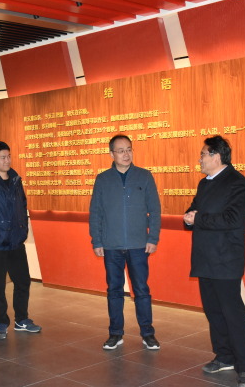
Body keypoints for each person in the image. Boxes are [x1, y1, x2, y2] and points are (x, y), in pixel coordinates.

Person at [183, 135, 245, 387]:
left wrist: (198, 218)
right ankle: (224, 356)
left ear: (216, 156)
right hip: (205, 258)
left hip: (226, 259)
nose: (200, 159)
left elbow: (233, 219)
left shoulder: (237, 182)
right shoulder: (204, 184)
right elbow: (194, 209)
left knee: (232, 314)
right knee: (213, 312)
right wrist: (189, 217)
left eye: (203, 154)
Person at [89, 134, 162, 350]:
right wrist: (97, 241)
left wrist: (153, 237)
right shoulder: (103, 179)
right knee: (114, 290)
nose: (126, 154)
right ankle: (115, 333)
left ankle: (148, 333)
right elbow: (95, 212)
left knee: (141, 290)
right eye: (120, 151)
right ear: (111, 154)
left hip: (139, 245)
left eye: (129, 149)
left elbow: (155, 210)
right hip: (111, 246)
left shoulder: (144, 176)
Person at [0, 141, 41, 340]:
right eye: (3, 157)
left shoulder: (15, 180)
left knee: (23, 282)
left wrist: (22, 230)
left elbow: (22, 204)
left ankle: (22, 319)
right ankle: (1, 323)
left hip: (15, 242)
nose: (7, 160)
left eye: (9, 156)